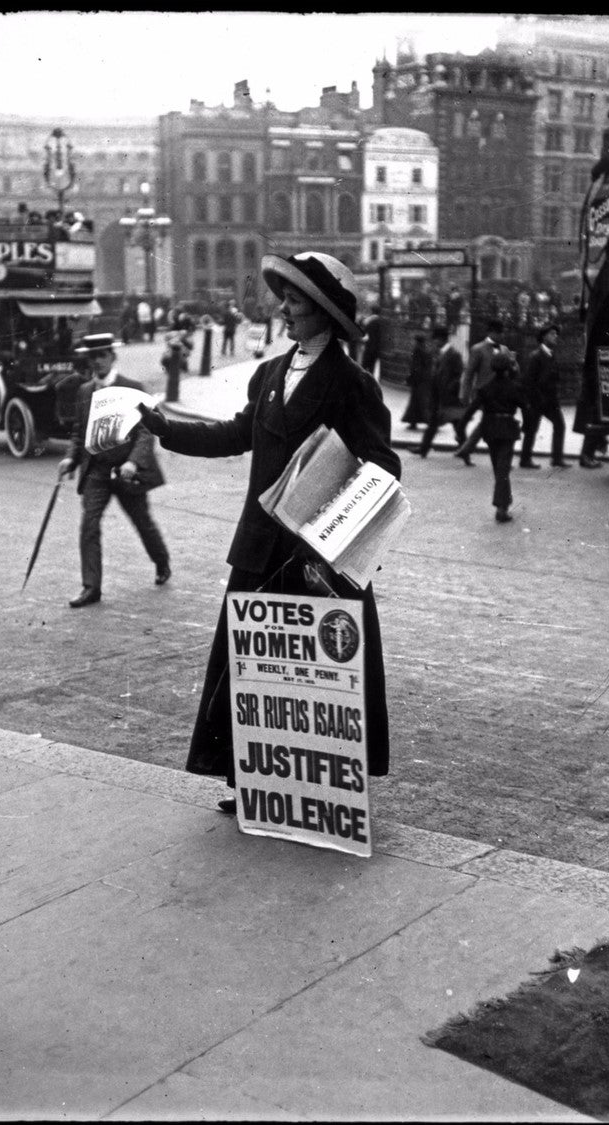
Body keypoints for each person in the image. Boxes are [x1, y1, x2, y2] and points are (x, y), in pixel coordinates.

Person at [137, 252, 401, 814]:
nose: (284, 308)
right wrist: (164, 426)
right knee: (254, 667)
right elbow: (236, 434)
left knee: (315, 677)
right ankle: (251, 777)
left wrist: (330, 531)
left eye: (296, 301)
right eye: (286, 298)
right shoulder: (273, 373)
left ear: (324, 313)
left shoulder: (352, 384)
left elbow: (382, 469)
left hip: (315, 561)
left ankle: (319, 784)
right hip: (260, 549)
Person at [58, 333, 171, 608]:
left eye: (102, 355)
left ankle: (162, 562)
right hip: (96, 470)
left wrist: (133, 462)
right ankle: (91, 588)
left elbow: (146, 432)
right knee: (89, 525)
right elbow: (79, 432)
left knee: (141, 521)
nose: (97, 362)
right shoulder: (85, 392)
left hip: (126, 471)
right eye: (92, 357)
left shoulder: (131, 388)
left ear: (112, 356)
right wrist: (71, 459)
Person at [462, 351, 528, 523]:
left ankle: (503, 504)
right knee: (503, 469)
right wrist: (527, 427)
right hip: (507, 429)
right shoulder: (514, 387)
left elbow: (472, 408)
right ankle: (501, 507)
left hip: (490, 430)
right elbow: (526, 408)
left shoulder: (485, 388)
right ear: (508, 369)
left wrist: (462, 425)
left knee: (498, 468)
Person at [454, 318, 514, 466]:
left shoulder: (505, 350)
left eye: (502, 333)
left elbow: (512, 371)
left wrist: (513, 364)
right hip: (483, 393)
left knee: (486, 422)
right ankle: (467, 448)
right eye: (498, 333)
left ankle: (465, 449)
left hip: (499, 395)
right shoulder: (478, 349)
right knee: (486, 423)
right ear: (491, 333)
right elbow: (469, 374)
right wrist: (464, 394)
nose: (501, 336)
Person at [519, 323, 570, 469]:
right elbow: (529, 381)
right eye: (552, 334)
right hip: (537, 400)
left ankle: (557, 458)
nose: (556, 337)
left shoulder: (551, 354)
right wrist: (535, 399)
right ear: (543, 337)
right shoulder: (536, 356)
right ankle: (525, 459)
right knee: (532, 429)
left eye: (556, 334)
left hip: (549, 400)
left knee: (559, 425)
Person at [411, 325, 466, 458]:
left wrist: (450, 388)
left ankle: (465, 449)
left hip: (448, 396)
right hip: (437, 394)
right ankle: (423, 449)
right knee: (433, 423)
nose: (434, 342)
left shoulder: (454, 354)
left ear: (441, 339)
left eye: (435, 339)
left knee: (457, 424)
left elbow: (459, 373)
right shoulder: (440, 352)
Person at [401, 333, 433, 430]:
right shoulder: (427, 350)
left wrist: (410, 378)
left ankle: (425, 421)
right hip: (426, 379)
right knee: (421, 401)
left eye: (414, 340)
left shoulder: (417, 350)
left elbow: (415, 367)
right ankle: (417, 421)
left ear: (417, 341)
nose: (412, 342)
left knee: (418, 402)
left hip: (418, 380)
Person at [359, 304, 382, 378]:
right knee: (372, 367)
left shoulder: (370, 321)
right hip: (377, 348)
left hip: (369, 346)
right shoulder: (381, 321)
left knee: (364, 365)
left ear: (372, 311)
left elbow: (365, 334)